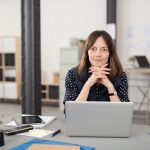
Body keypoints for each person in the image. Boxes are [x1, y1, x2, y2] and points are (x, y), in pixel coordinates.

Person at [64, 30, 129, 103]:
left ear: (110, 53)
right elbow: (70, 111)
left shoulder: (121, 76)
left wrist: (110, 88)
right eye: (93, 49)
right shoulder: (72, 74)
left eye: (104, 49)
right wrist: (88, 85)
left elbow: (123, 112)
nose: (98, 54)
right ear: (87, 51)